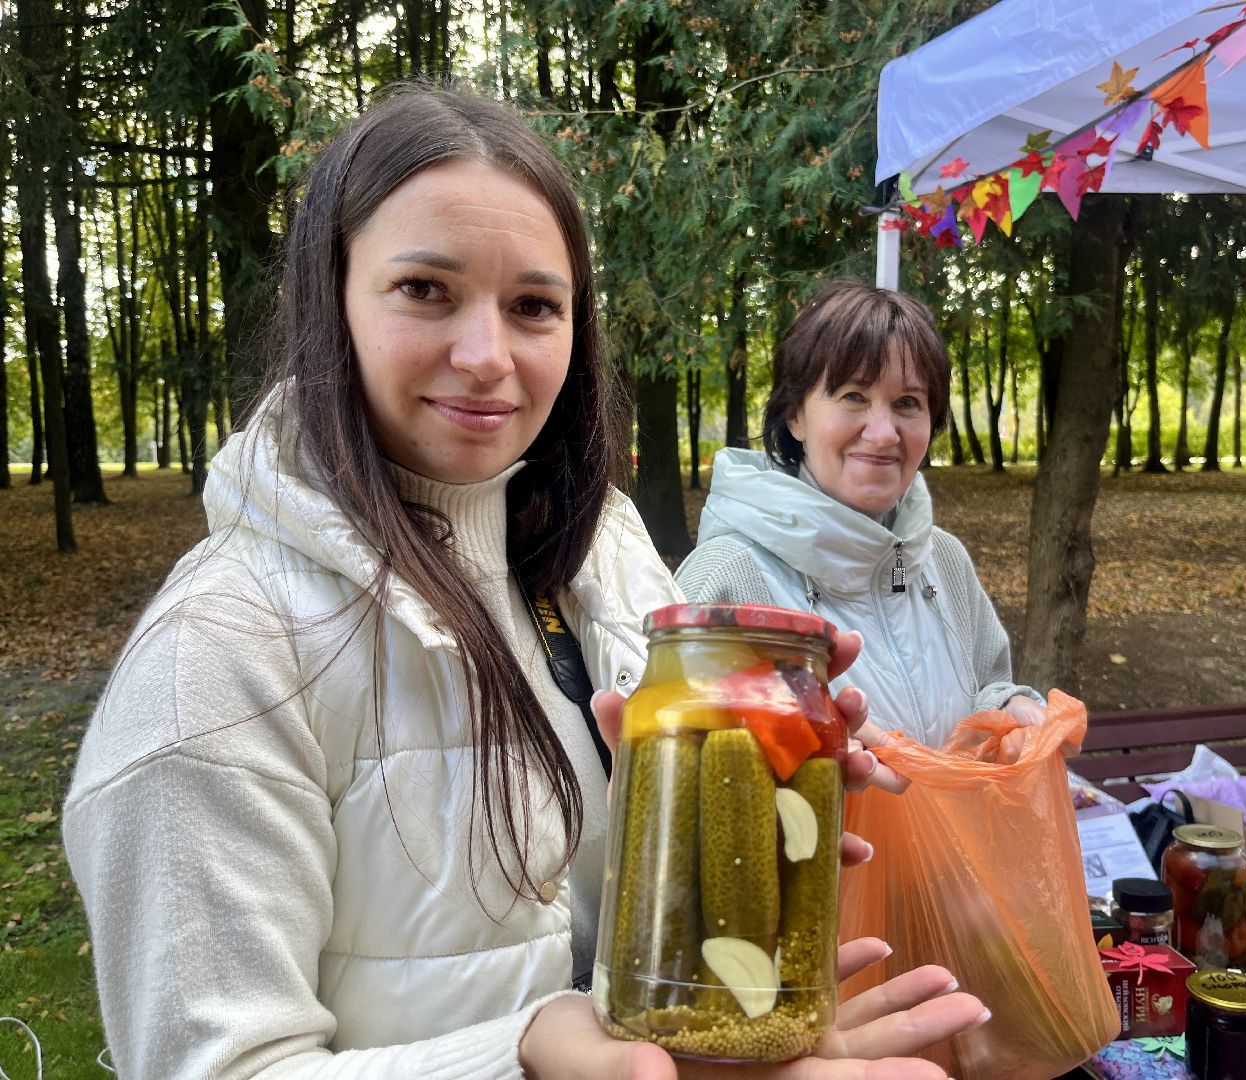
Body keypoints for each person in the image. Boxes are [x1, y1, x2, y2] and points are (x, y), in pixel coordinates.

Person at [61, 87, 986, 1079]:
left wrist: (748, 823)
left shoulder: (608, 556)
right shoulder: (216, 653)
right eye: (425, 288)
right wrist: (526, 1057)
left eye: (535, 306)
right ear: (332, 300)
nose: (486, 356)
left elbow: (642, 925)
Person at [676, 282, 1045, 750]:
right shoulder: (725, 579)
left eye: (907, 403)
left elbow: (985, 686)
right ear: (795, 416)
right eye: (853, 396)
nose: (884, 432)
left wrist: (1007, 708)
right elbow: (674, 759)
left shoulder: (944, 559)